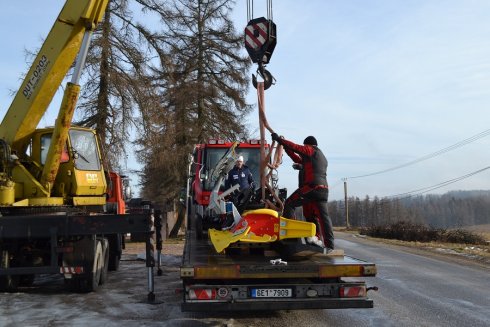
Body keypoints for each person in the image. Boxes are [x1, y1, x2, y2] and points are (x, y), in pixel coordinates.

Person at [271, 133, 334, 251]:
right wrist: (284, 147)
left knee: (289, 203)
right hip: (323, 190)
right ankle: (325, 244)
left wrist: (280, 140)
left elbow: (296, 147)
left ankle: (290, 236)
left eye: (305, 145)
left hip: (312, 187)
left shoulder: (311, 150)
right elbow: (296, 158)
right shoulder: (321, 157)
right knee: (318, 216)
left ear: (308, 144)